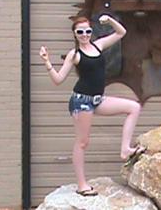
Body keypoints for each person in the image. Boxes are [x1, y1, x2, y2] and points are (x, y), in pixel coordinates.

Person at [39, 14, 143, 197]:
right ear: (75, 34)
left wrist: (109, 20)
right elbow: (58, 80)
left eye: (88, 31)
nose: (85, 34)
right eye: (80, 32)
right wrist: (47, 62)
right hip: (81, 101)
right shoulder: (75, 55)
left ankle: (125, 149)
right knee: (82, 142)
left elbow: (121, 32)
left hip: (98, 99)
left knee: (133, 107)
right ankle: (81, 185)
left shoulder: (98, 45)